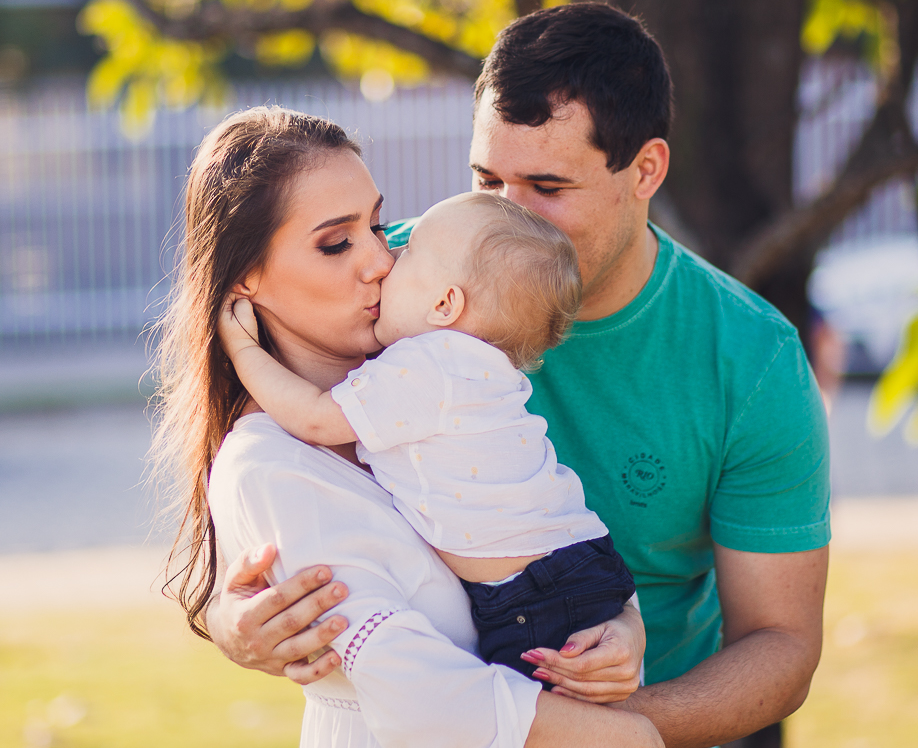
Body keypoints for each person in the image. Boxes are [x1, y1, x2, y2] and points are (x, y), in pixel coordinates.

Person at [206, 3, 830, 747]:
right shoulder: (398, 282)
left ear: (646, 170)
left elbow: (782, 647)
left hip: (667, 720)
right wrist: (231, 623)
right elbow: (262, 475)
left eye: (547, 186)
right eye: (486, 178)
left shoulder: (749, 359)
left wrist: (594, 730)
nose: (509, 215)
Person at [153, 104, 662, 747]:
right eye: (337, 242)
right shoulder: (270, 463)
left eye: (379, 226)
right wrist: (625, 739)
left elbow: (542, 515)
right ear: (246, 278)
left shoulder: (443, 379)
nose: (380, 261)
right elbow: (416, 688)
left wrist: (618, 626)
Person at [218, 191, 637, 684]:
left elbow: (314, 418)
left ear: (443, 304)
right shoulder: (474, 369)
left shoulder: (427, 366)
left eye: (406, 251)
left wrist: (242, 351)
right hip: (575, 566)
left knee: (534, 724)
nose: (386, 260)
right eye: (338, 242)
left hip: (530, 596)